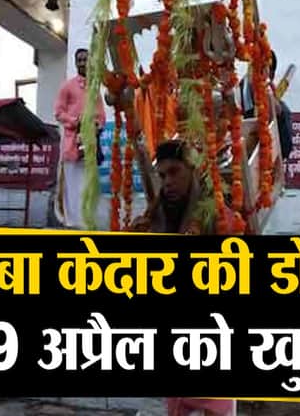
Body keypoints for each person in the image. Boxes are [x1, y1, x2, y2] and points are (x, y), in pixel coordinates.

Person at [126, 139, 236, 416]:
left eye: (175, 172)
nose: (168, 182)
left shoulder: (219, 218)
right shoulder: (155, 218)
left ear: (193, 170)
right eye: (162, 175)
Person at [54, 48, 106, 229]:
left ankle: (87, 222)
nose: (83, 63)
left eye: (85, 60)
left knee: (88, 184)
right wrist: (76, 122)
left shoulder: (94, 88)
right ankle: (72, 223)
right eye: (80, 60)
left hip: (90, 145)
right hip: (72, 144)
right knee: (72, 185)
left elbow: (101, 116)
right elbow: (58, 113)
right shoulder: (67, 86)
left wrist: (96, 126)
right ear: (76, 63)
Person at [238, 50, 293, 161]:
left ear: (270, 76)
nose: (256, 76)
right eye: (254, 69)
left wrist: (279, 116)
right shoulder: (234, 98)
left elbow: (285, 150)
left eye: (262, 71)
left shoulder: (280, 109)